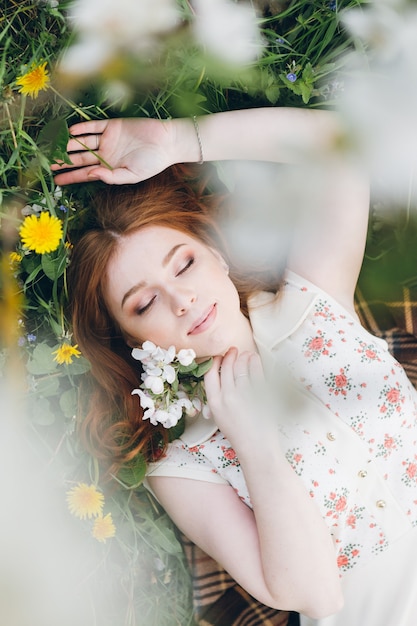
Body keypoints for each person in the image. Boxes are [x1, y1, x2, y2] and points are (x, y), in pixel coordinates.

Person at [53, 107, 417, 625]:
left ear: (218, 258)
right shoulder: (183, 460)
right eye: (143, 304)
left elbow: (337, 142)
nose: (180, 299)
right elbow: (317, 597)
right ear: (130, 341)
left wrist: (179, 139)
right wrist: (252, 439)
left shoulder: (311, 306)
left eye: (185, 263)